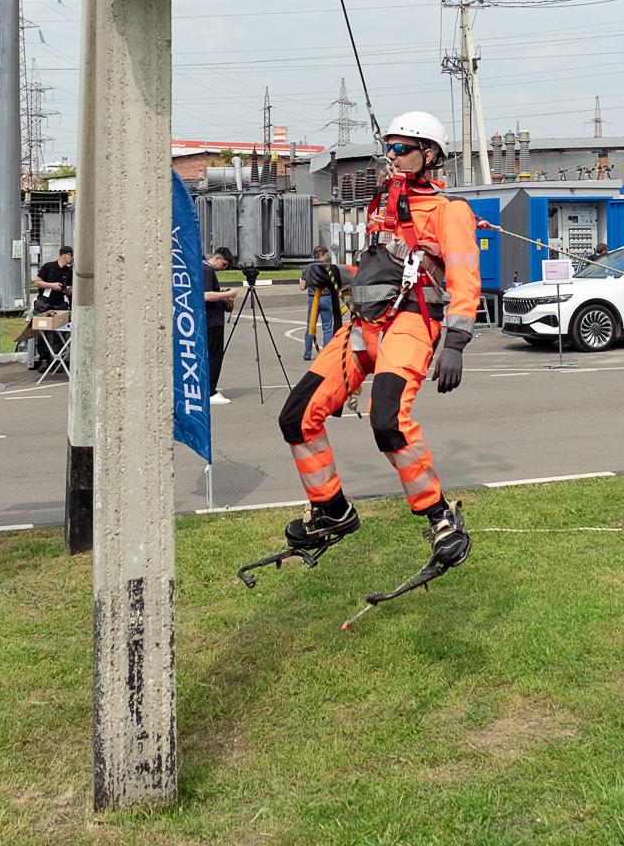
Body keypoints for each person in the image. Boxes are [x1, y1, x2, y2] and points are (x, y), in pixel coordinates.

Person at [278, 112, 480, 571]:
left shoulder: (450, 212)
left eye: (401, 149)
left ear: (429, 155)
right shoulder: (378, 211)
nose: (390, 157)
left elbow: (465, 277)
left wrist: (456, 341)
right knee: (296, 416)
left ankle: (441, 520)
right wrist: (336, 274)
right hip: (362, 328)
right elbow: (373, 276)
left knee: (387, 421)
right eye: (386, 149)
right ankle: (332, 510)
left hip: (410, 323)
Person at [202, 246, 235, 405]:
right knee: (214, 356)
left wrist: (222, 297)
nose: (225, 268)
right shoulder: (207, 270)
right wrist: (227, 294)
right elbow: (206, 295)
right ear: (217, 259)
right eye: (225, 264)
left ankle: (208, 388)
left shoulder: (206, 269)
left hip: (212, 319)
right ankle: (210, 391)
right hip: (212, 321)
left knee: (212, 355)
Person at [299, 246, 342, 360]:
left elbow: (302, 287)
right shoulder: (329, 268)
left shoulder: (307, 268)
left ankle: (307, 353)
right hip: (327, 298)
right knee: (327, 327)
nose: (327, 257)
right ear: (321, 255)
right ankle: (326, 354)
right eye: (326, 254)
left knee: (310, 326)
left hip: (313, 299)